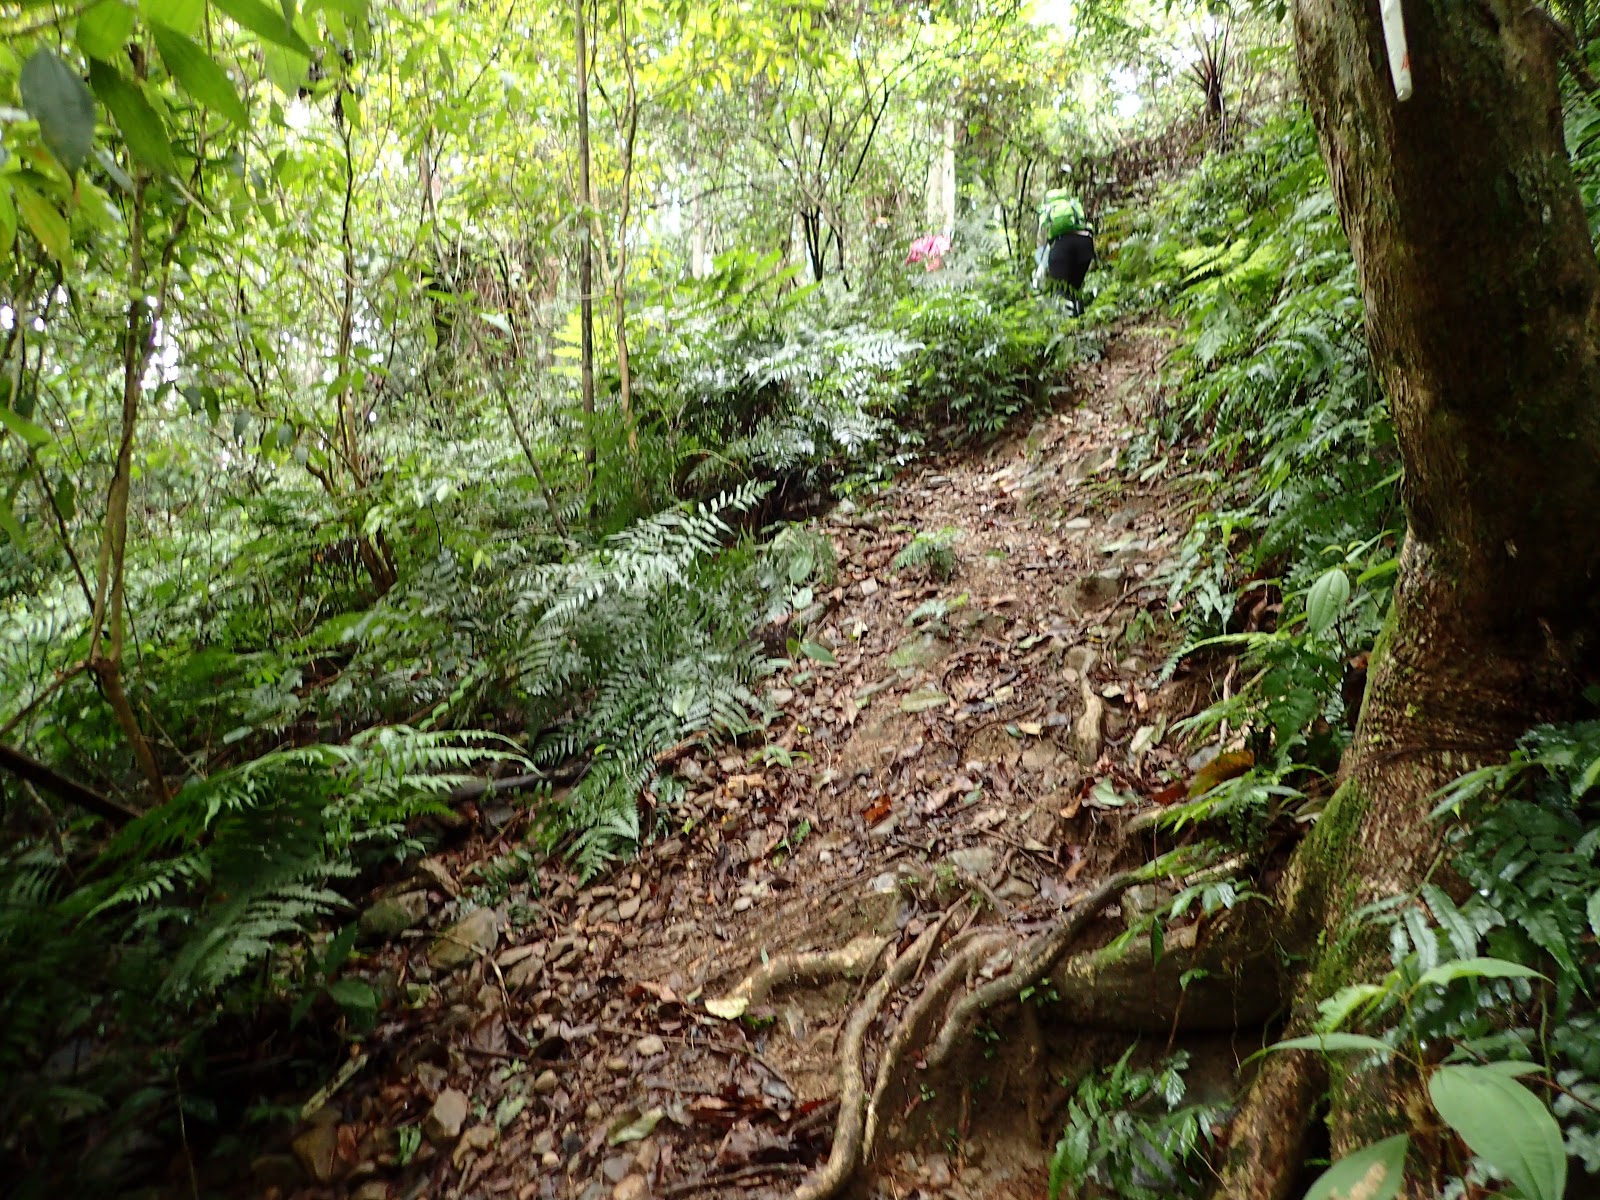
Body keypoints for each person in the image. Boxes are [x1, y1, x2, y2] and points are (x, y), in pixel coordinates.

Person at [1033, 185, 1095, 314]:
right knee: (1075, 288)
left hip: (1062, 248)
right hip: (1085, 243)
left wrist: (1042, 267)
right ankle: (1080, 319)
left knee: (1061, 291)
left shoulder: (1047, 212)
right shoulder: (1073, 206)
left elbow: (1042, 245)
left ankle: (1067, 323)